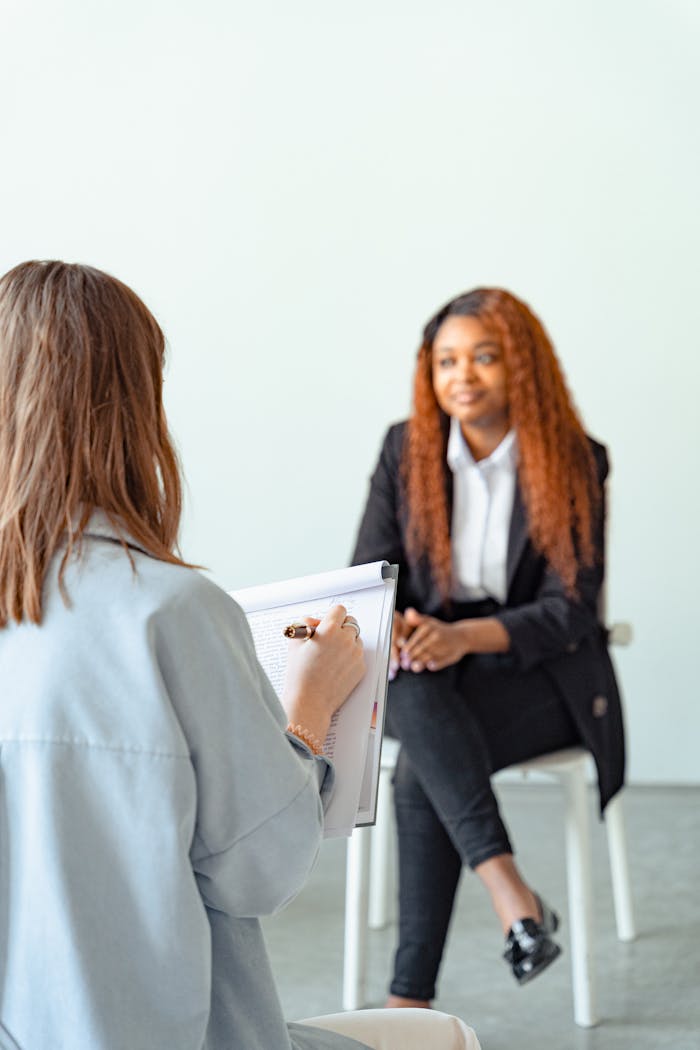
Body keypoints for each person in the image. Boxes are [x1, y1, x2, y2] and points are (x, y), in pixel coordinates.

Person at [0, 261, 481, 1050]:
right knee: (444, 1037)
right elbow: (261, 870)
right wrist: (313, 706)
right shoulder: (172, 614)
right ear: (132, 407)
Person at [351, 287, 625, 1007]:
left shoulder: (574, 459)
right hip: (433, 676)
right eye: (446, 361)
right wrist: (410, 630)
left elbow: (571, 609)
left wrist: (461, 637)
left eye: (483, 357)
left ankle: (410, 1002)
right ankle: (513, 899)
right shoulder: (403, 449)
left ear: (521, 366)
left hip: (543, 677)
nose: (461, 376)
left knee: (420, 765)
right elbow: (369, 577)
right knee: (414, 698)